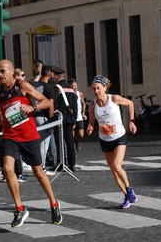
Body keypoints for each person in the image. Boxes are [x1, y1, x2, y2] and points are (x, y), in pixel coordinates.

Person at [0, 59, 62, 227]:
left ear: (10, 71)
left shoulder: (21, 85)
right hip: (10, 135)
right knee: (7, 168)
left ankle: (53, 203)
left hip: (28, 135)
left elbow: (46, 101)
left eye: (2, 71)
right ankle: (20, 208)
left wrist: (32, 108)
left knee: (38, 172)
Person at [87, 75, 138, 209]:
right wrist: (90, 126)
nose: (96, 91)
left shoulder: (114, 99)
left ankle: (129, 189)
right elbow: (92, 121)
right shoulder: (93, 104)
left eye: (98, 88)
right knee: (114, 171)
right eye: (94, 89)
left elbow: (130, 104)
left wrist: (132, 121)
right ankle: (126, 195)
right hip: (105, 139)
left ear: (104, 87)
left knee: (117, 165)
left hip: (119, 137)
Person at [30, 64, 56, 175]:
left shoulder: (35, 85)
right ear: (50, 74)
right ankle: (42, 167)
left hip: (33, 116)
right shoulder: (49, 87)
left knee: (37, 142)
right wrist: (51, 119)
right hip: (43, 117)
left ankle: (38, 165)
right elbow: (50, 105)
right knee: (44, 144)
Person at [52, 66, 79, 172]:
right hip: (70, 117)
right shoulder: (71, 88)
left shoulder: (57, 88)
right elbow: (76, 106)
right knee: (70, 141)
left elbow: (55, 103)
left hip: (60, 117)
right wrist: (75, 120)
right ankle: (72, 164)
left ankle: (61, 163)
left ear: (56, 76)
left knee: (60, 142)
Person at [68, 78, 86, 150]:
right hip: (72, 117)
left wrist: (83, 113)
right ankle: (72, 151)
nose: (74, 87)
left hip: (79, 117)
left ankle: (76, 141)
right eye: (73, 86)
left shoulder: (80, 94)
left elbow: (83, 104)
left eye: (75, 86)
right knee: (71, 136)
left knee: (81, 135)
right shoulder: (68, 94)